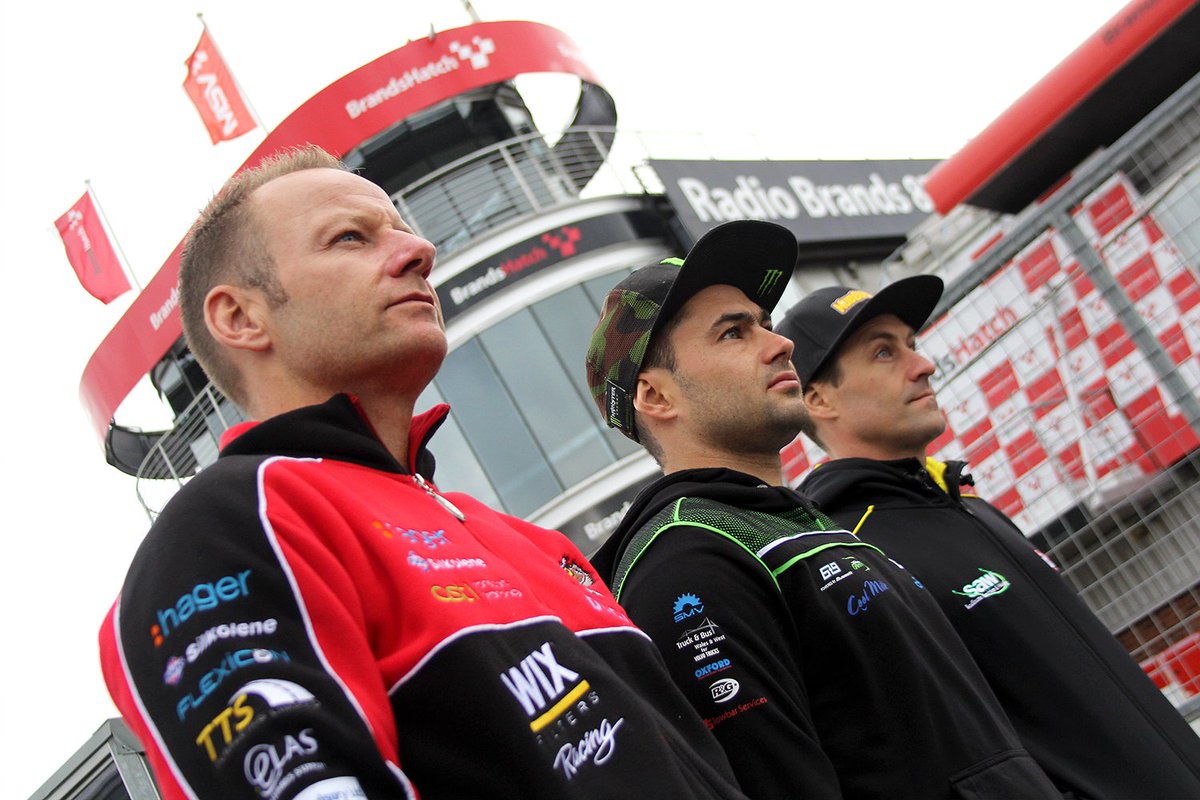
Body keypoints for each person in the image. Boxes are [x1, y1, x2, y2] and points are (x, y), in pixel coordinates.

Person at [97, 146, 751, 800]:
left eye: (404, 229)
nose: (420, 251)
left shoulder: (532, 542)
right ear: (240, 317)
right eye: (350, 238)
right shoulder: (234, 525)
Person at [584, 220, 1061, 800]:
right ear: (656, 396)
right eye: (734, 333)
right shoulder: (686, 561)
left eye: (762, 322)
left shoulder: (794, 523)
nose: (779, 342)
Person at [780, 275, 1200, 799]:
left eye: (912, 343)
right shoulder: (854, 555)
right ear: (818, 399)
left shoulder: (962, 498)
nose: (923, 364)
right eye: (885, 353)